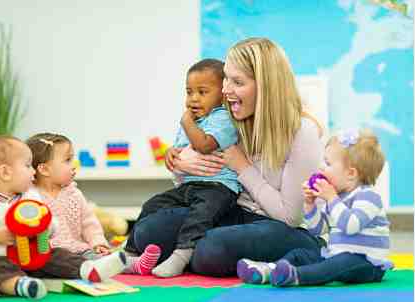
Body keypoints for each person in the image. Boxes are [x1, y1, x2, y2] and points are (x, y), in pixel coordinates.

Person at [126, 37, 325, 277]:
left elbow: (290, 216)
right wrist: (181, 165)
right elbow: (206, 186)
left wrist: (242, 166)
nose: (225, 90)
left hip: (281, 225)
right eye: (226, 79)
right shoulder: (233, 120)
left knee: (211, 249)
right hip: (232, 213)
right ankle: (200, 256)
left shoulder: (302, 131)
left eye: (237, 82)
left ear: (266, 86)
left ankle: (310, 251)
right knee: (148, 232)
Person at [0, 135, 126, 299]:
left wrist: (46, 227)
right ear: (5, 173)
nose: (33, 171)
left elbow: (49, 221)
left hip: (31, 257)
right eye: (28, 165)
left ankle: (88, 269)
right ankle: (19, 285)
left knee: (56, 255)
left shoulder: (30, 197)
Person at [125, 59, 240, 277]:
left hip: (219, 187)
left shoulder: (224, 117)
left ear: (223, 93)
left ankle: (181, 255)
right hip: (189, 185)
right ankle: (130, 254)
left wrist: (186, 121)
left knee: (200, 215)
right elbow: (179, 151)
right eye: (189, 92)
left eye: (202, 92)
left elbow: (204, 145)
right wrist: (171, 154)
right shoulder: (192, 120)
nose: (194, 98)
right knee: (153, 203)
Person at [237, 129, 393, 286]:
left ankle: (296, 276)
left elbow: (350, 226)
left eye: (328, 164)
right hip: (335, 256)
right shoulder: (337, 199)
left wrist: (331, 198)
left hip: (366, 263)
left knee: (342, 262)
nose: (322, 169)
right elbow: (319, 230)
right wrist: (310, 204)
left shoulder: (369, 197)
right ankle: (270, 270)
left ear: (351, 173)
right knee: (302, 255)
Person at [26, 133, 161, 274]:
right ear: (44, 169)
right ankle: (97, 268)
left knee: (99, 257)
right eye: (67, 160)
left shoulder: (74, 193)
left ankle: (133, 264)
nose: (74, 165)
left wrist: (98, 242)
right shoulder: (30, 197)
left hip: (79, 250)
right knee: (67, 262)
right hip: (51, 254)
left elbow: (89, 223)